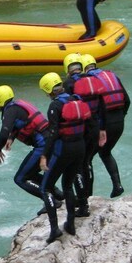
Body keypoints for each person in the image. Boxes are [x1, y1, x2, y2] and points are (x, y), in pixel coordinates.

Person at [38, 72, 94, 244]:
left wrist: (44, 156)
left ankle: (54, 229)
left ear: (48, 90)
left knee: (45, 189)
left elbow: (53, 133)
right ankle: (70, 223)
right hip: (80, 147)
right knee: (68, 186)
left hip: (64, 149)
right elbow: (89, 126)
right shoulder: (76, 99)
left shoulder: (55, 106)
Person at [0, 84, 63, 214]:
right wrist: (11, 139)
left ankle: (50, 199)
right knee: (31, 174)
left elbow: (4, 132)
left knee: (20, 178)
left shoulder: (10, 111)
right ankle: (57, 194)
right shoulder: (17, 106)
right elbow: (20, 124)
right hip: (50, 141)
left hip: (42, 146)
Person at [62, 52, 108, 216]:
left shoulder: (68, 83)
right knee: (87, 162)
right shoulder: (93, 80)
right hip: (95, 127)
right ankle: (88, 195)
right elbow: (102, 106)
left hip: (80, 130)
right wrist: (102, 129)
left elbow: (66, 109)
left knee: (76, 166)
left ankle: (82, 203)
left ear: (67, 69)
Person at [81, 53, 131, 197]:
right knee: (105, 152)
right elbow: (127, 101)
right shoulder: (112, 76)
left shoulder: (89, 81)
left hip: (104, 123)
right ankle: (117, 185)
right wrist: (121, 117)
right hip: (119, 121)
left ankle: (87, 195)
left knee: (87, 158)